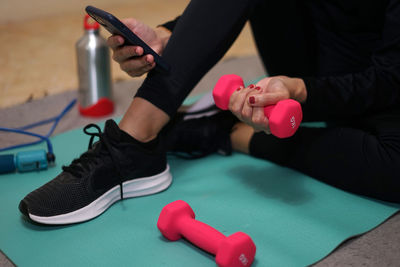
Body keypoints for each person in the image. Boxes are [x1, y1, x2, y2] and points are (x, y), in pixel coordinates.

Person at [19, 0, 400, 224]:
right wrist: (172, 39)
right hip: (309, 56)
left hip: (378, 83)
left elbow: (390, 78)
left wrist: (301, 90)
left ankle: (224, 130)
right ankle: (134, 138)